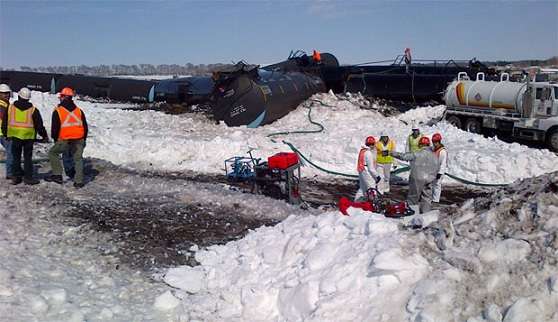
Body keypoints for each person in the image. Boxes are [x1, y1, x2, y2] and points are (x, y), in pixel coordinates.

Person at [1, 87, 49, 185]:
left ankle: (16, 177)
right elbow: (39, 125)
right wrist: (44, 136)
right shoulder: (33, 110)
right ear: (28, 98)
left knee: (16, 157)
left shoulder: (10, 108)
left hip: (15, 137)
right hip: (28, 138)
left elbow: (5, 123)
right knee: (27, 158)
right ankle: (28, 178)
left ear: (19, 96)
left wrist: (6, 134)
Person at [46, 87, 88, 188]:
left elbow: (55, 128)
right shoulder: (79, 111)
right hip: (79, 139)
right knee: (78, 159)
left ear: (64, 97)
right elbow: (85, 126)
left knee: (53, 153)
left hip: (65, 139)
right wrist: (84, 139)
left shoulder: (58, 111)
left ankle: (57, 175)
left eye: (61, 96)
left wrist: (56, 139)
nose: (60, 98)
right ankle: (79, 181)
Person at [391, 136, 438, 213]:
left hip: (417, 178)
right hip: (429, 179)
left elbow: (403, 156)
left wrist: (391, 153)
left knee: (413, 198)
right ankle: (425, 216)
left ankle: (412, 216)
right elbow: (437, 167)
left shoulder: (417, 154)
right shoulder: (434, 156)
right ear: (428, 144)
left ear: (420, 145)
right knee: (427, 198)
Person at [355, 136, 381, 201]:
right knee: (372, 189)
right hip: (367, 172)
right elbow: (371, 168)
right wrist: (377, 176)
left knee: (362, 188)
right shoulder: (368, 153)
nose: (373, 146)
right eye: (372, 144)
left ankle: (356, 202)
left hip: (361, 172)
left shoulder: (362, 151)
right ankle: (373, 203)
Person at [0, 84, 14, 180]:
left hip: (3, 132)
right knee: (11, 152)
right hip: (3, 133)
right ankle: (10, 172)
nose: (7, 95)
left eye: (7, 93)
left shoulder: (6, 104)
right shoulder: (2, 105)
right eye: (4, 93)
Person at [431, 133, 447, 204]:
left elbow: (443, 163)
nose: (434, 144)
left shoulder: (442, 151)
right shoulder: (434, 149)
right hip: (433, 170)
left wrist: (440, 173)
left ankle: (435, 200)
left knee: (437, 185)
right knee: (433, 185)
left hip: (439, 172)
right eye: (433, 142)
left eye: (436, 142)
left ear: (439, 141)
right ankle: (433, 198)